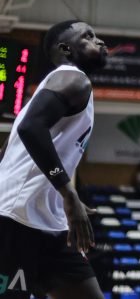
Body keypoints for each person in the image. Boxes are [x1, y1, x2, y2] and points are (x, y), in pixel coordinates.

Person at [0, 20, 108, 298]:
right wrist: (68, 192)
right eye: (89, 36)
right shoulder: (73, 78)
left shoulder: (64, 86)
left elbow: (6, 155)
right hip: (15, 218)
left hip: (50, 223)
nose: (100, 42)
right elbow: (30, 129)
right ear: (66, 48)